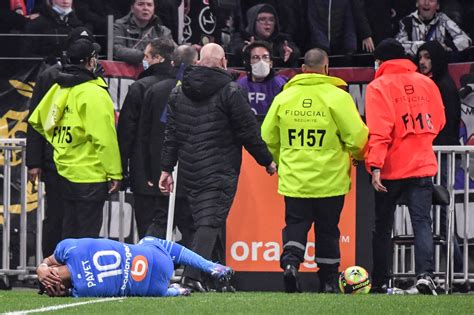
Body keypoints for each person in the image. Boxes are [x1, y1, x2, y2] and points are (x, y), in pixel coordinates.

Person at [159, 43, 276, 292]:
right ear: (224, 63)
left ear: (199, 62)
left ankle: (217, 278)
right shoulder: (231, 91)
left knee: (210, 221)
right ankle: (191, 276)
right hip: (220, 169)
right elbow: (248, 131)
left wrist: (166, 169)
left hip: (190, 170)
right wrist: (266, 160)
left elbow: (171, 134)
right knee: (209, 223)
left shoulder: (178, 92)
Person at [261, 48, 368, 293]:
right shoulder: (338, 97)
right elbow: (357, 136)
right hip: (331, 179)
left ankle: (290, 265)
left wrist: (279, 159)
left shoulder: (284, 98)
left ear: (303, 69)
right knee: (328, 229)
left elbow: (267, 136)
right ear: (327, 68)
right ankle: (329, 281)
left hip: (295, 179)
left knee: (296, 224)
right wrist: (359, 156)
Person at [365, 38, 445, 295]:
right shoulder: (427, 82)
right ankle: (426, 277)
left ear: (381, 60)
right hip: (422, 163)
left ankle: (380, 281)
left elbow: (380, 130)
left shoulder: (379, 86)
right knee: (422, 223)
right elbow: (439, 120)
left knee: (383, 226)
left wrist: (375, 165)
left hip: (391, 167)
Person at [28, 38, 122, 239]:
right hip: (90, 174)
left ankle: (65, 270)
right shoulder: (94, 92)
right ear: (91, 61)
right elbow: (104, 138)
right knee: (86, 238)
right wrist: (115, 172)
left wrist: (61, 142)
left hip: (63, 170)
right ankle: (77, 271)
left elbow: (38, 121)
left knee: (68, 234)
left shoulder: (59, 87)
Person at [26, 27, 102, 257]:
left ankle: (66, 268)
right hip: (61, 160)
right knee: (59, 218)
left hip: (71, 159)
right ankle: (51, 267)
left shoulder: (93, 76)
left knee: (69, 219)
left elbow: (38, 121)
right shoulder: (50, 76)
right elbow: (37, 120)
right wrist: (34, 161)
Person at [416, 41, 469, 292]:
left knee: (442, 217)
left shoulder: (443, 86)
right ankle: (454, 274)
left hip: (441, 158)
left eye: (427, 57)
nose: (422, 61)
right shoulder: (434, 84)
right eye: (420, 56)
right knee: (437, 218)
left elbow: (445, 127)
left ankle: (458, 273)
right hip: (434, 156)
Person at [36, 236, 233, 297]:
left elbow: (69, 290)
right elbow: (50, 259)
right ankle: (211, 266)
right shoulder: (69, 248)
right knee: (147, 240)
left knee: (134, 289)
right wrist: (42, 266)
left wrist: (61, 292)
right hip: (157, 258)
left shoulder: (84, 291)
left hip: (155, 288)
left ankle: (175, 291)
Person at [117, 38, 176, 239]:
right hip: (178, 174)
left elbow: (126, 133)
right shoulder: (184, 85)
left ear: (158, 58)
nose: (144, 60)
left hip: (145, 176)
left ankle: (150, 269)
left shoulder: (140, 87)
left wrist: (121, 170)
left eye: (147, 56)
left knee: (148, 232)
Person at [140, 45, 198, 245]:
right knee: (191, 226)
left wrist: (149, 171)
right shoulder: (202, 92)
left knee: (161, 221)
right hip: (190, 170)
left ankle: (143, 265)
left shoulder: (154, 90)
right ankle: (194, 273)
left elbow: (144, 134)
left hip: (162, 169)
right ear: (196, 63)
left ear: (172, 62)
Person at [229, 3, 300, 67]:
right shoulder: (242, 37)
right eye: (262, 19)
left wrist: (290, 52)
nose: (267, 23)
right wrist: (246, 50)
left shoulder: (282, 39)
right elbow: (234, 49)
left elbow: (296, 51)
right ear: (252, 22)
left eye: (271, 20)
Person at [395, 0, 471, 57]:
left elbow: (465, 39)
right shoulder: (406, 22)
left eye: (431, 0)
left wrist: (447, 47)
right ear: (417, 3)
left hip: (437, 66)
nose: (426, 3)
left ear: (437, 6)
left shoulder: (443, 19)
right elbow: (398, 46)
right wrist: (430, 46)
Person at [21, 0, 85, 64]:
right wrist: (48, 61)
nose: (65, 1)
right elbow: (27, 54)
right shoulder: (37, 24)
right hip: (46, 70)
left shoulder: (78, 24)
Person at [113, 0, 174, 65]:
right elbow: (118, 50)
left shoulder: (162, 30)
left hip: (154, 72)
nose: (145, 8)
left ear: (154, 8)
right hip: (125, 72)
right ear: (132, 8)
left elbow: (171, 52)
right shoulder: (120, 26)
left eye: (149, 5)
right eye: (140, 4)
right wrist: (145, 55)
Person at [237, 41, 287, 115]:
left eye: (265, 57)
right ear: (248, 63)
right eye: (255, 57)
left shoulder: (281, 85)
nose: (261, 61)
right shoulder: (240, 85)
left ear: (271, 63)